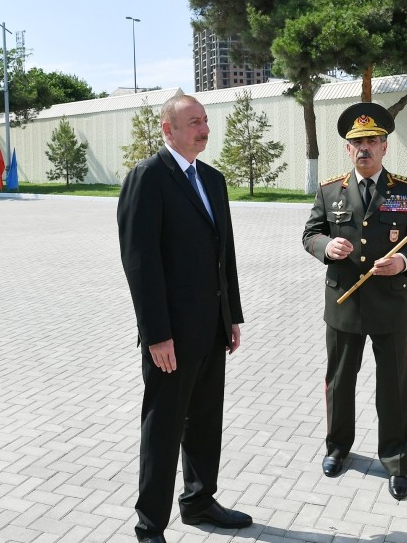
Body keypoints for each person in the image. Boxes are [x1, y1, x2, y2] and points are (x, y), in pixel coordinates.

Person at [117, 94, 252, 542]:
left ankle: (198, 501)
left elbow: (223, 254)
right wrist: (156, 335)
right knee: (164, 428)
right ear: (167, 129)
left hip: (211, 329)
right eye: (193, 122)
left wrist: (230, 314)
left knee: (205, 421)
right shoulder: (148, 178)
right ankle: (150, 524)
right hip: (170, 336)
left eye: (205, 121)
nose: (203, 129)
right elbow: (140, 263)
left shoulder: (212, 179)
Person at [301, 102, 407, 501]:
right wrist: (327, 246)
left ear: (384, 147)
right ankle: (338, 449)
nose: (364, 148)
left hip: (390, 305)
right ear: (347, 150)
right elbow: (310, 233)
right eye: (356, 142)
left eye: (371, 141)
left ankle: (396, 462)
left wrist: (404, 260)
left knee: (394, 388)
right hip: (343, 304)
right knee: (340, 382)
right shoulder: (329, 190)